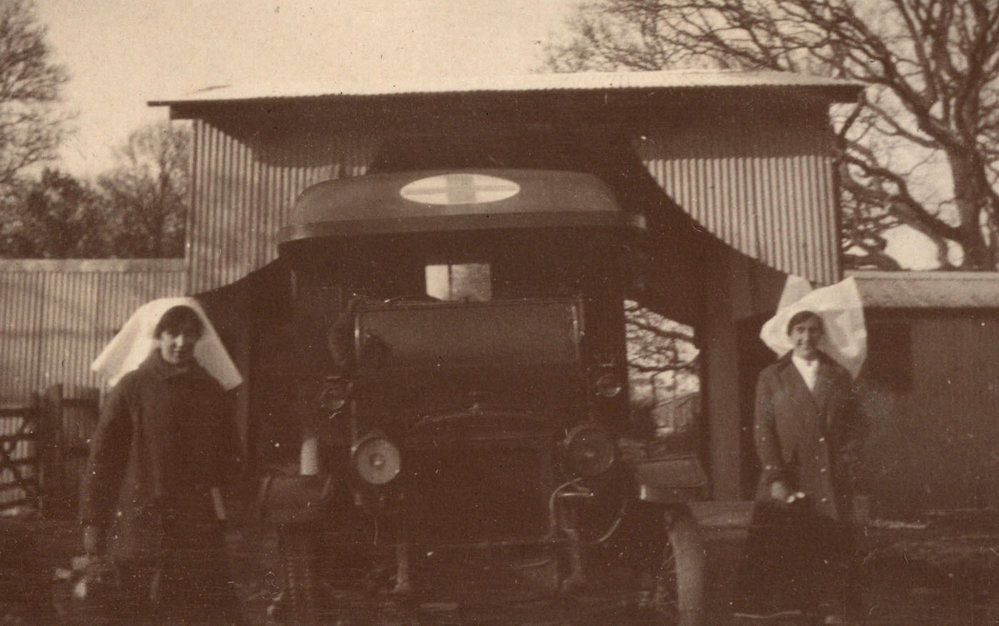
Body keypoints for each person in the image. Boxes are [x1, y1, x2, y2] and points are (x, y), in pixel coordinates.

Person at [79, 304, 242, 624]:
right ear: (159, 336)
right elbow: (103, 458)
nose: (181, 342)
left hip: (195, 525)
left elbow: (229, 457)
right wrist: (93, 521)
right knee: (137, 606)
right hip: (140, 520)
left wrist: (234, 509)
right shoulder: (132, 387)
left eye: (189, 334)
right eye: (172, 333)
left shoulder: (210, 390)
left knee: (195, 607)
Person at [735, 310, 863, 624]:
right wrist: (775, 476)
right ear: (789, 334)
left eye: (814, 331)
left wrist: (846, 463)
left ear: (822, 335)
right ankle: (782, 610)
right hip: (788, 472)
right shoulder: (771, 376)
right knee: (781, 540)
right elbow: (763, 429)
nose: (807, 337)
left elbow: (855, 426)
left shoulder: (838, 375)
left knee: (829, 541)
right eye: (800, 330)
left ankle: (828, 607)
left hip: (829, 475)